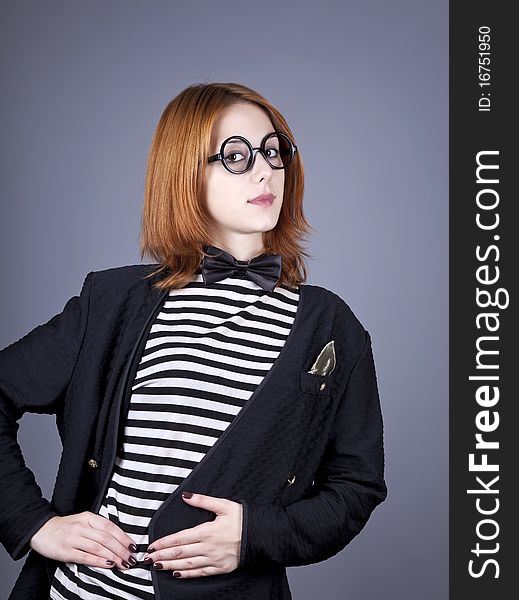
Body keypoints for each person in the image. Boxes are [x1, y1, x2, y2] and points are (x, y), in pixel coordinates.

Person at [0, 82, 387, 600]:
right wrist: (37, 524)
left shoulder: (331, 327)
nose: (264, 169)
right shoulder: (112, 300)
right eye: (235, 156)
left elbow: (355, 488)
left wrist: (256, 536)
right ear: (185, 172)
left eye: (274, 151)